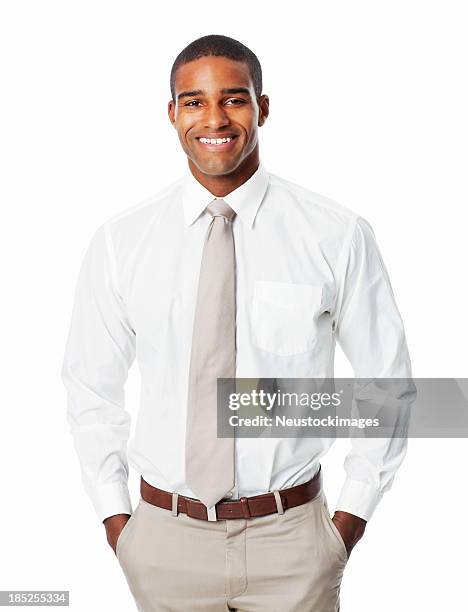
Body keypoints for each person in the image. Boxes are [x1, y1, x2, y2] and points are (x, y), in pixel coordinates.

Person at [61, 34, 415, 611]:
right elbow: (90, 388)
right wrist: (118, 522)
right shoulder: (121, 243)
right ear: (172, 113)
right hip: (162, 541)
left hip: (293, 540)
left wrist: (346, 524)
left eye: (234, 98)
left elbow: (388, 387)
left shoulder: (335, 234)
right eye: (194, 102)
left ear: (263, 107)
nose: (215, 118)